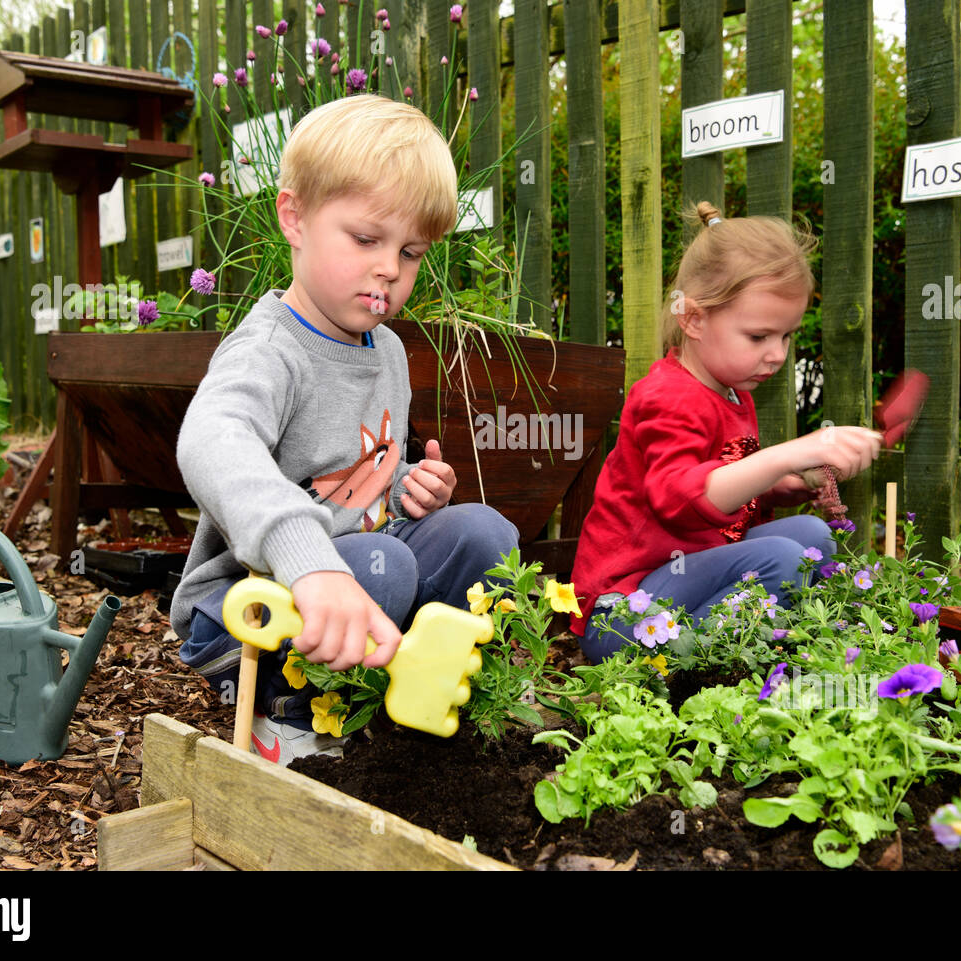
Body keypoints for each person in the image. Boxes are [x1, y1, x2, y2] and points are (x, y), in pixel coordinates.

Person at [170, 94, 519, 765]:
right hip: (243, 609)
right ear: (294, 217)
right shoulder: (269, 349)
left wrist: (411, 485)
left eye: (411, 252)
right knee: (382, 564)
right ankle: (292, 721)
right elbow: (210, 439)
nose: (389, 267)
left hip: (357, 574)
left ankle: (402, 694)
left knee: (486, 535)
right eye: (365, 239)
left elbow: (359, 483)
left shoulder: (385, 350)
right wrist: (306, 557)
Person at [570, 203, 883, 663]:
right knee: (779, 559)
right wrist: (785, 453)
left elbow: (729, 490)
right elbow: (678, 501)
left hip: (684, 582)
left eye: (786, 336)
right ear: (694, 319)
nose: (777, 355)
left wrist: (786, 485)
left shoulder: (734, 394)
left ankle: (747, 647)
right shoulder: (667, 395)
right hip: (624, 612)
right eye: (758, 337)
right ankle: (698, 668)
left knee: (812, 538)